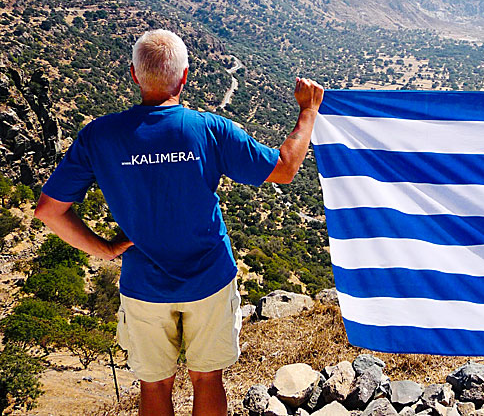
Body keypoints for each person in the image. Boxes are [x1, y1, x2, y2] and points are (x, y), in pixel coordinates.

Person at [34, 29, 324, 416]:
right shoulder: (210, 129)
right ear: (184, 76)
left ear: (135, 76)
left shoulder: (99, 136)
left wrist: (103, 249)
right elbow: (285, 168)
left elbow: (49, 210)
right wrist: (308, 111)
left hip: (144, 284)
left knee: (153, 385)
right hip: (210, 277)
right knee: (207, 378)